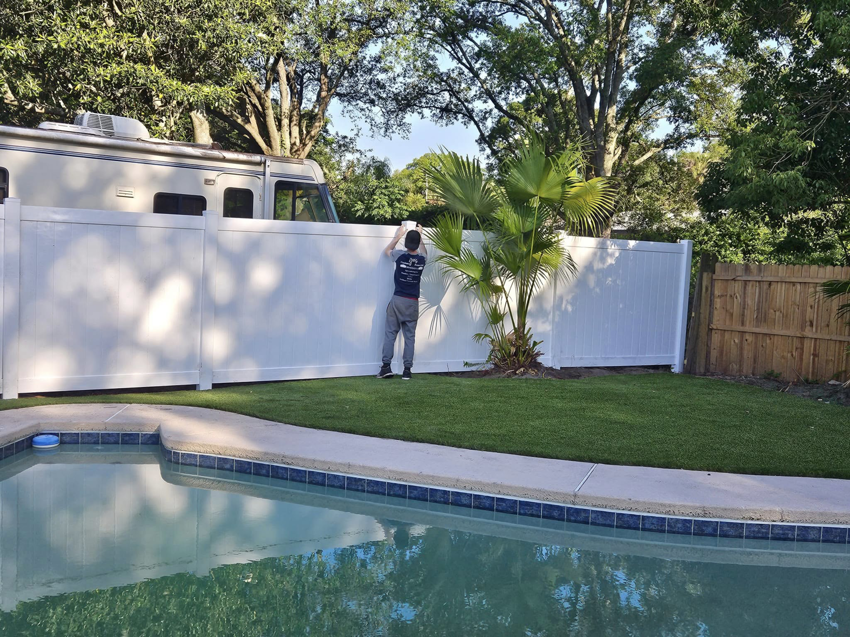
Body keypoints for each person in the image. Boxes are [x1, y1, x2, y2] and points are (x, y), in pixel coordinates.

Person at [377, 223, 427, 380]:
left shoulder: (399, 256)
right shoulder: (421, 260)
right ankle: (407, 371)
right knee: (410, 337)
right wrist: (421, 235)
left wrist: (398, 236)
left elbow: (387, 251)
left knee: (390, 334)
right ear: (417, 243)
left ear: (406, 243)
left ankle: (386, 367)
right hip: (412, 302)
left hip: (397, 300)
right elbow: (425, 253)